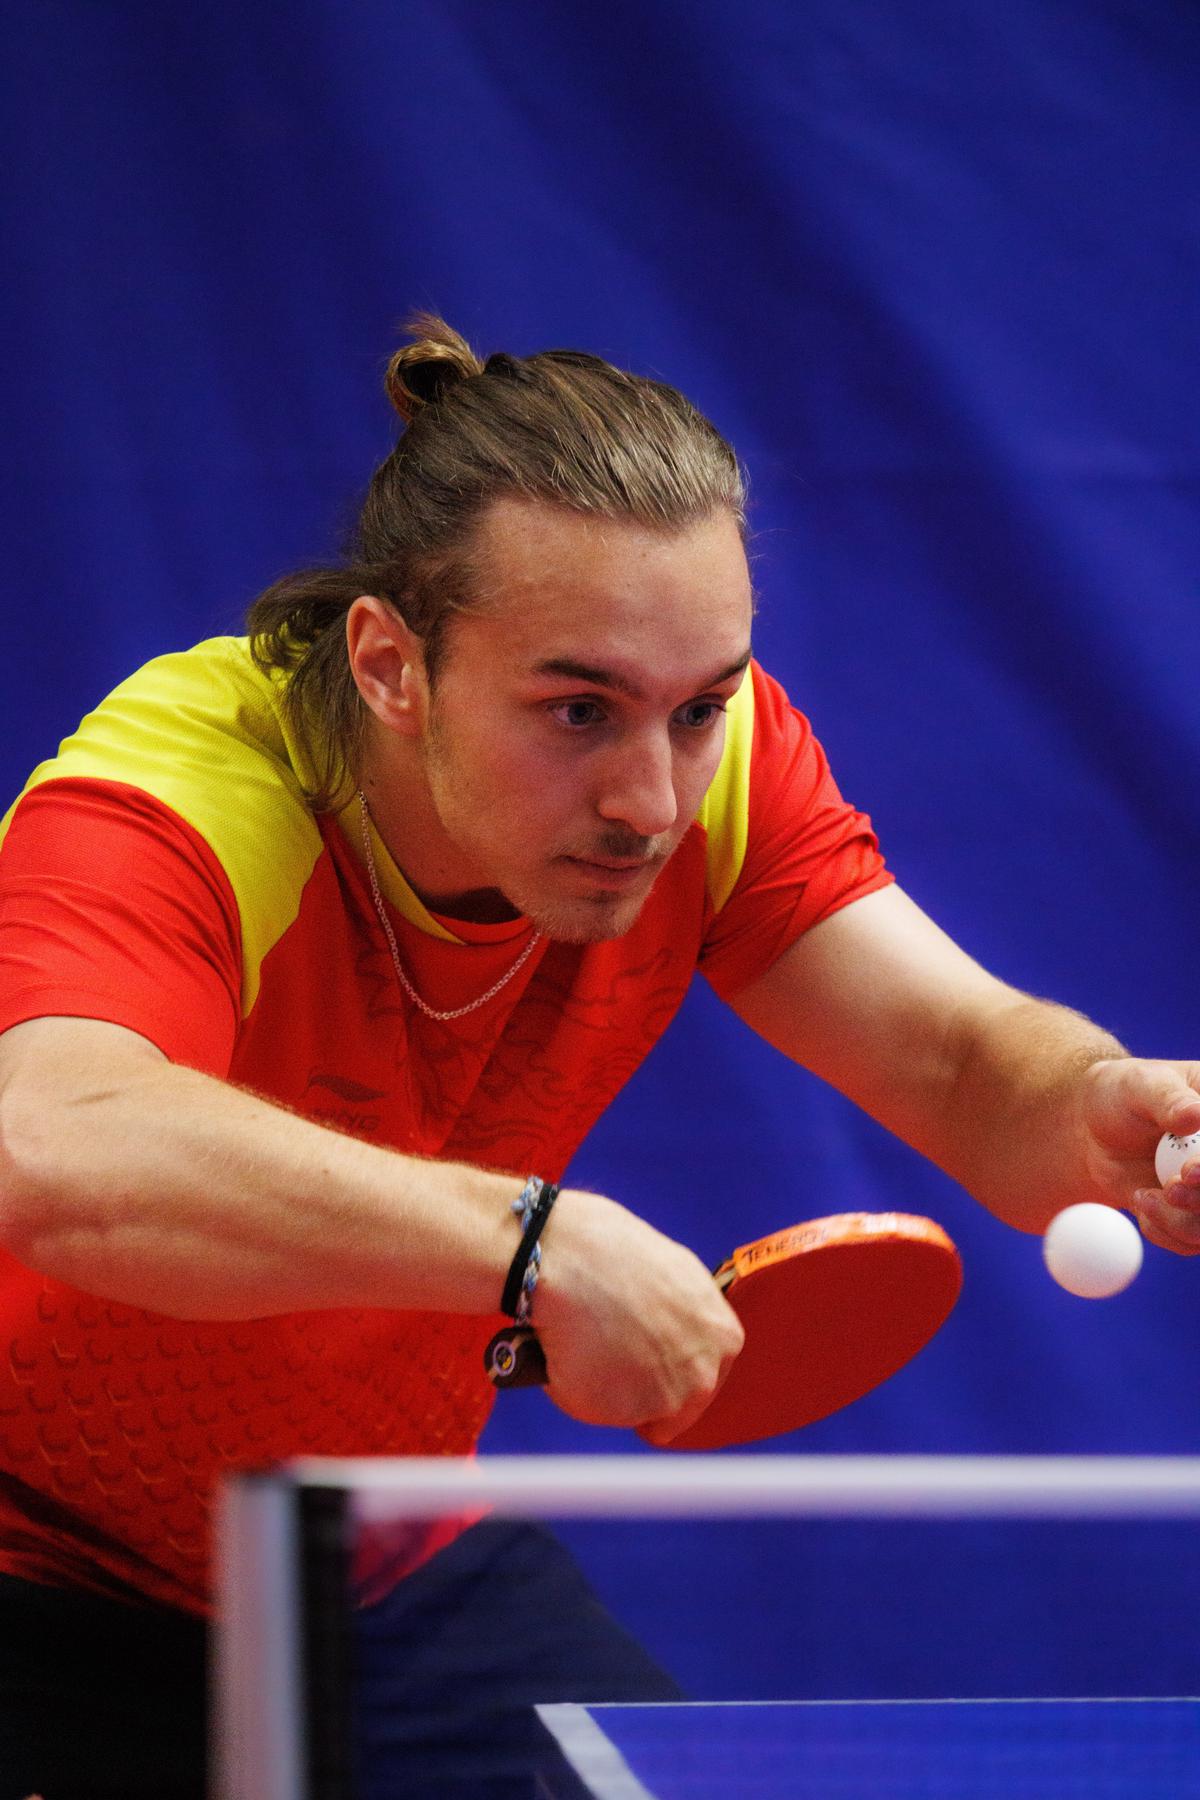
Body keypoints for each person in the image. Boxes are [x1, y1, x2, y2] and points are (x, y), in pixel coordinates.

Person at [0, 316, 1196, 1798]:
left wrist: (1098, 1111)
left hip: (367, 1554)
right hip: (35, 1563)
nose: (650, 797)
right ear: (390, 663)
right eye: (578, 709)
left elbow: (960, 1061)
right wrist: (531, 1242)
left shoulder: (717, 762)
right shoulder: (180, 802)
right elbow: (53, 1145)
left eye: (699, 706)